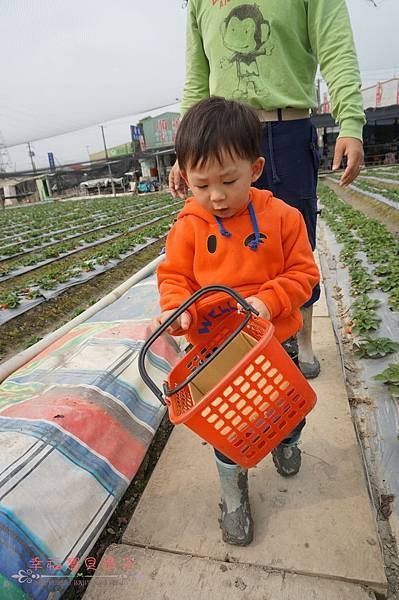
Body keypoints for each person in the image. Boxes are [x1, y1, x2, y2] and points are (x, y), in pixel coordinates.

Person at [153, 97, 319, 546]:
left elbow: (304, 274)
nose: (217, 196)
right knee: (231, 428)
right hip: (214, 351)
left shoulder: (283, 219)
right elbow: (174, 277)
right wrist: (178, 309)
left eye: (229, 180)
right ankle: (232, 492)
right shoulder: (187, 226)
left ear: (256, 168)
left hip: (271, 342)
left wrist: (268, 301)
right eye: (202, 184)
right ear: (186, 178)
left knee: (284, 412)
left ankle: (288, 441)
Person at [169, 0, 365, 378]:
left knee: (293, 241)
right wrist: (188, 149)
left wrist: (351, 122)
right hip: (220, 139)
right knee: (227, 244)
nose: (216, 193)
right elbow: (197, 74)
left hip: (288, 128)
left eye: (223, 186)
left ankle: (297, 338)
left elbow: (335, 46)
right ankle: (232, 338)